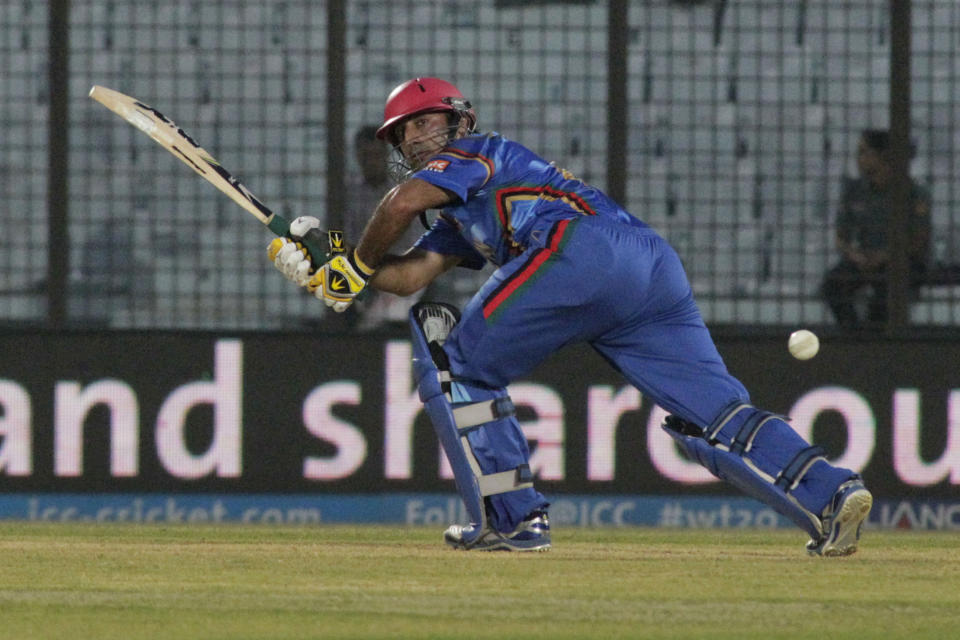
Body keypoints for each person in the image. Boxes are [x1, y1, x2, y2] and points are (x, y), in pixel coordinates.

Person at [268, 77, 872, 555]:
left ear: (459, 121)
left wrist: (356, 262)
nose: (418, 138)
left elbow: (400, 201)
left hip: (579, 250)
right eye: (406, 133)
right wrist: (337, 261)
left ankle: (512, 521)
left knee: (454, 360)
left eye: (427, 122)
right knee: (712, 413)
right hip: (648, 268)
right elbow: (407, 277)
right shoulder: (458, 216)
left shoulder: (477, 153)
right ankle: (830, 494)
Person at [821, 129, 931, 329]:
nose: (858, 158)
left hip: (902, 262)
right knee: (832, 285)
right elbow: (841, 237)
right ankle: (853, 336)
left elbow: (919, 240)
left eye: (864, 152)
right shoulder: (854, 191)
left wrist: (885, 256)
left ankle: (878, 338)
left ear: (883, 156)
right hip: (865, 259)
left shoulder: (913, 192)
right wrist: (855, 256)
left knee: (887, 290)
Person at [342, 125, 426, 331]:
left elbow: (416, 245)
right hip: (360, 273)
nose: (371, 162)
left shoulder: (402, 192)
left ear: (385, 155)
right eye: (366, 155)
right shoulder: (349, 196)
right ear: (358, 156)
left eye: (376, 155)